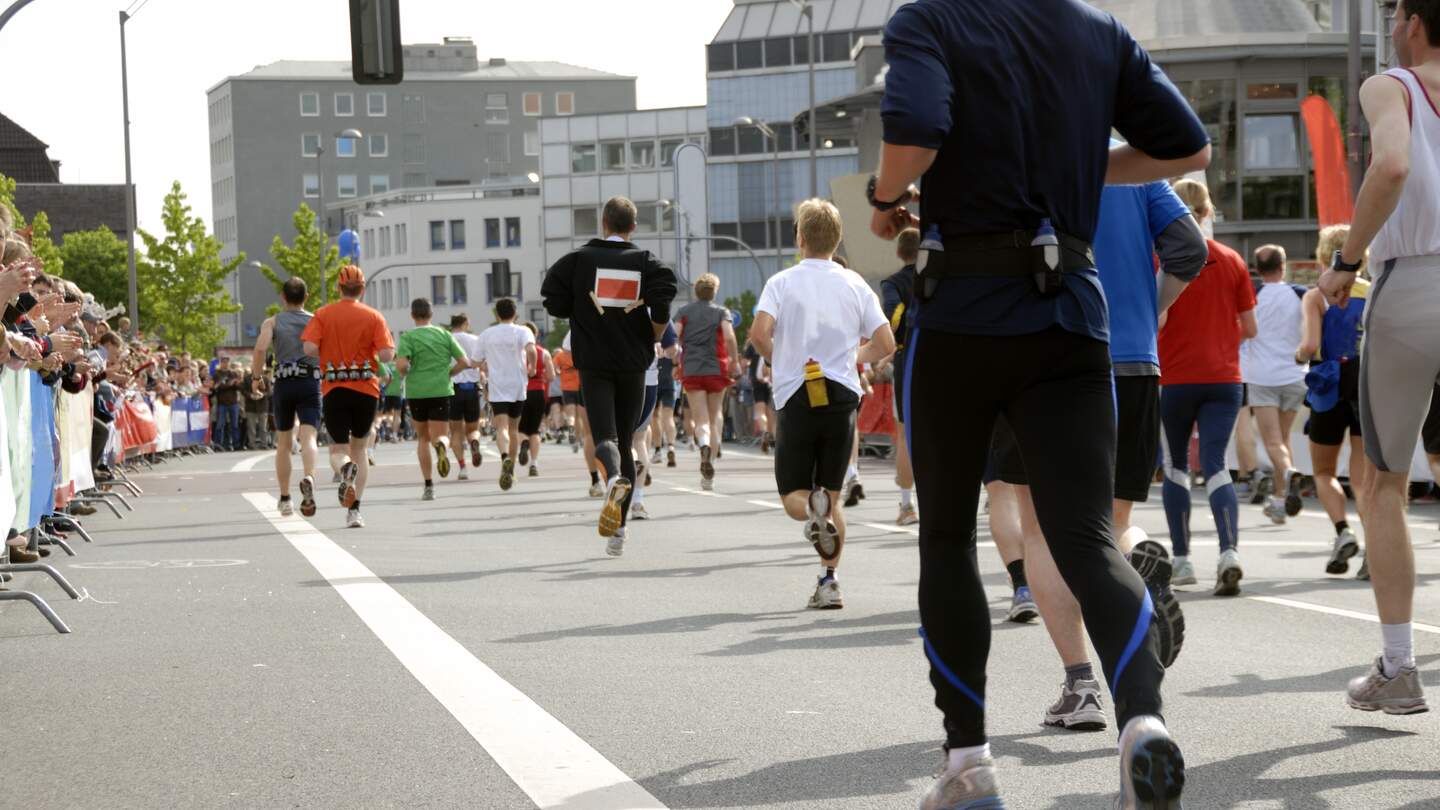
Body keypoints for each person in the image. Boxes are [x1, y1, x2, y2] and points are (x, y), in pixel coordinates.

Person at [872, 0, 1211, 804]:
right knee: (1089, 539)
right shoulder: (1098, 30)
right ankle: (1144, 725)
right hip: (1071, 313)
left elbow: (916, 133)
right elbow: (1187, 145)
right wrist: (1083, 169)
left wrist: (888, 199)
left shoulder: (928, 19)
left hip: (960, 314)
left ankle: (968, 763)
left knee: (949, 539)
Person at [1317, 0, 1438, 716]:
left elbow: (1391, 164)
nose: (1390, 23)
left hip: (1415, 287)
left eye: (1394, 11)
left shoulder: (1391, 83)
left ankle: (1399, 668)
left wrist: (1345, 259)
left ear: (1415, 20)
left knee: (1384, 483)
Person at [751, 199, 893, 609]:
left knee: (794, 496)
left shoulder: (781, 282)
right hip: (841, 394)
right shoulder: (855, 284)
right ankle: (829, 580)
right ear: (838, 239)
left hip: (797, 392)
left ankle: (812, 517)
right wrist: (853, 357)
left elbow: (760, 335)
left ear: (799, 239)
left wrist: (785, 357)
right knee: (831, 496)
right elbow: (885, 343)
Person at [542, 196, 678, 556]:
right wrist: (654, 332)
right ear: (633, 226)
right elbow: (665, 297)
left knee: (603, 435)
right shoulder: (646, 262)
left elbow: (552, 298)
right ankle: (619, 530)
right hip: (634, 362)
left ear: (603, 222)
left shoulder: (577, 260)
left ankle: (612, 479)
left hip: (594, 361)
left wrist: (580, 309)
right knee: (628, 439)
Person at [1157, 180, 1257, 595]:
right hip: (1223, 377)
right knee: (1216, 463)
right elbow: (1250, 327)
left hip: (1174, 376)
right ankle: (1228, 552)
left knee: (1177, 465)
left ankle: (1181, 561)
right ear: (1208, 211)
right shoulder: (1232, 260)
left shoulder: (1160, 257)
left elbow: (1156, 318)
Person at [1298, 225, 1371, 578]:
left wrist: (1299, 354)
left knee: (1324, 471)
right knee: (1364, 475)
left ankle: (1343, 531)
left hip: (1328, 384)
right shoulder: (1371, 292)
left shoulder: (1317, 296)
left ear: (1324, 255)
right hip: (1364, 383)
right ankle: (1375, 546)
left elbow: (1310, 346)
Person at [301, 265, 395, 528]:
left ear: (338, 287)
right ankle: (354, 511)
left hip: (335, 387)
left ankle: (344, 469)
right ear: (362, 289)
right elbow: (387, 355)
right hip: (366, 388)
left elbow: (309, 347)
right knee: (360, 449)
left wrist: (326, 348)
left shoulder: (323, 314)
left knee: (338, 449)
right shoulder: (374, 316)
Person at [1241, 245, 1310, 524]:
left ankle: (1289, 473)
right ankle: (1281, 500)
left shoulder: (1253, 295)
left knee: (1271, 441)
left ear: (1257, 269)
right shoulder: (1300, 294)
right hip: (1295, 374)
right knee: (1282, 440)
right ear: (1284, 266)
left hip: (1262, 375)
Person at [250, 278, 321, 517]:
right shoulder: (315, 321)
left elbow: (260, 348)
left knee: (284, 443)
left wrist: (256, 377)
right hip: (310, 381)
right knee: (309, 435)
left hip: (284, 382)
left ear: (282, 296)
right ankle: (309, 476)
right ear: (306, 297)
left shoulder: (273, 321)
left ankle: (285, 498)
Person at [396, 298, 468, 501]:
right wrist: (450, 374)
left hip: (417, 392)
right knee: (440, 435)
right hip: (440, 390)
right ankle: (442, 447)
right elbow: (464, 361)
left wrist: (408, 370)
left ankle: (428, 485)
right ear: (431, 314)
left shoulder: (408, 337)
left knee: (423, 439)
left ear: (412, 315)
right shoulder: (444, 334)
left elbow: (401, 366)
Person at [674, 273, 738, 491]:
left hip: (691, 369)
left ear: (696, 292)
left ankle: (703, 445)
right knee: (716, 415)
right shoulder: (722, 312)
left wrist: (676, 362)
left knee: (700, 419)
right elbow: (729, 337)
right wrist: (734, 361)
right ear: (715, 292)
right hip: (716, 368)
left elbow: (675, 336)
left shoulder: (684, 312)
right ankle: (712, 455)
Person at [880, 228, 920, 526]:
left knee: (906, 434)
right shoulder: (944, 277)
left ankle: (907, 507)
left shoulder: (894, 283)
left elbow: (893, 318)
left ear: (899, 252)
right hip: (947, 355)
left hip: (910, 357)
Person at [476, 298, 536, 491]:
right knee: (514, 429)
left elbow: (475, 361)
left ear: (496, 314)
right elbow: (531, 350)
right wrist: (532, 366)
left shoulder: (487, 334)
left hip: (498, 385)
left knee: (500, 427)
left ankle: (504, 458)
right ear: (515, 313)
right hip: (518, 384)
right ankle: (511, 472)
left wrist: (484, 364)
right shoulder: (523, 331)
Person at [447, 313, 487, 480]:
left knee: (456, 432)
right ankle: (474, 443)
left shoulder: (446, 339)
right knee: (473, 429)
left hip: (452, 388)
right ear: (465, 323)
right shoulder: (475, 339)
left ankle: (463, 467)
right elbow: (482, 364)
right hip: (471, 389)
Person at [516, 322, 555, 477]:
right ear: (536, 335)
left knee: (521, 428)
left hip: (522, 392)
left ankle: (524, 443)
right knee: (535, 429)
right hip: (539, 391)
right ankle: (534, 463)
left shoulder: (519, 353)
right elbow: (551, 376)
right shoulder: (544, 352)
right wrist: (542, 376)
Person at [212, 357, 243, 451]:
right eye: (223, 362)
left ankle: (236, 444)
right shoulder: (217, 374)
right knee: (220, 425)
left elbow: (239, 387)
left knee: (234, 425)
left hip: (233, 403)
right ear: (221, 363)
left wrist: (236, 383)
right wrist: (230, 384)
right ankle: (218, 445)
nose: (225, 364)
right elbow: (218, 387)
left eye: (227, 362)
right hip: (222, 403)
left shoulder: (233, 373)